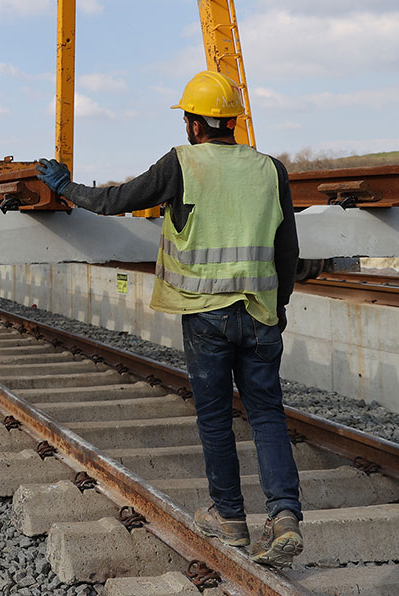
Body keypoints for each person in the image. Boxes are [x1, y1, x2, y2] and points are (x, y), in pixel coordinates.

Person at [35, 70, 303, 567]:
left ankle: (230, 519)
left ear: (196, 125)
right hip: (261, 312)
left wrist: (65, 187)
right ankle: (285, 515)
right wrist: (280, 304)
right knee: (266, 414)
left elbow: (116, 201)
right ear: (231, 123)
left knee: (216, 418)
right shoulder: (272, 169)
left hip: (206, 317)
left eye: (187, 118)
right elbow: (287, 248)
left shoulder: (183, 164)